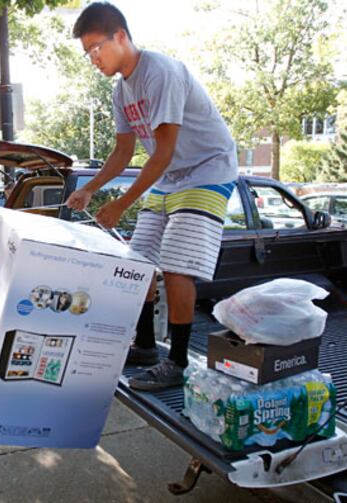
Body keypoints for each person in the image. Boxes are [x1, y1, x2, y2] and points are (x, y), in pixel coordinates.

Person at [67, 2, 238, 391]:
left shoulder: (160, 72)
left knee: (177, 266)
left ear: (121, 36)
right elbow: (123, 152)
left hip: (208, 168)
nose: (93, 58)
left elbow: (161, 152)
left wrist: (121, 204)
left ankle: (176, 363)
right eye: (87, 53)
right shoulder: (121, 91)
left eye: (97, 48)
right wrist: (91, 189)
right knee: (137, 261)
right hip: (171, 174)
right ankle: (145, 346)